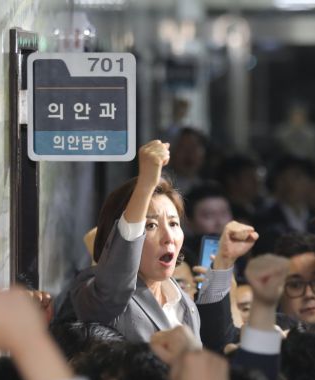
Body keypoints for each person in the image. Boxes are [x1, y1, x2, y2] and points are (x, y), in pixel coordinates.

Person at [69, 140, 256, 346]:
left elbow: (216, 341)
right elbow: (116, 283)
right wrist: (146, 183)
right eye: (150, 226)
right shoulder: (97, 291)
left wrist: (224, 261)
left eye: (174, 223)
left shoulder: (181, 299)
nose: (168, 236)